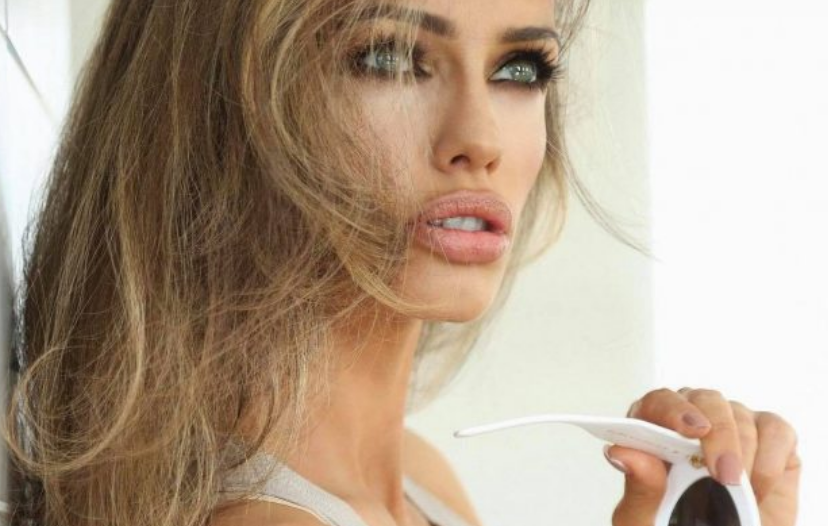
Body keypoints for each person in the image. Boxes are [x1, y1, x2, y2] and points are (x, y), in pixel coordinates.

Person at [2, 1, 800, 526]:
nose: (479, 139)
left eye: (519, 69)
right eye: (388, 59)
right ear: (223, 103)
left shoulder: (420, 484)